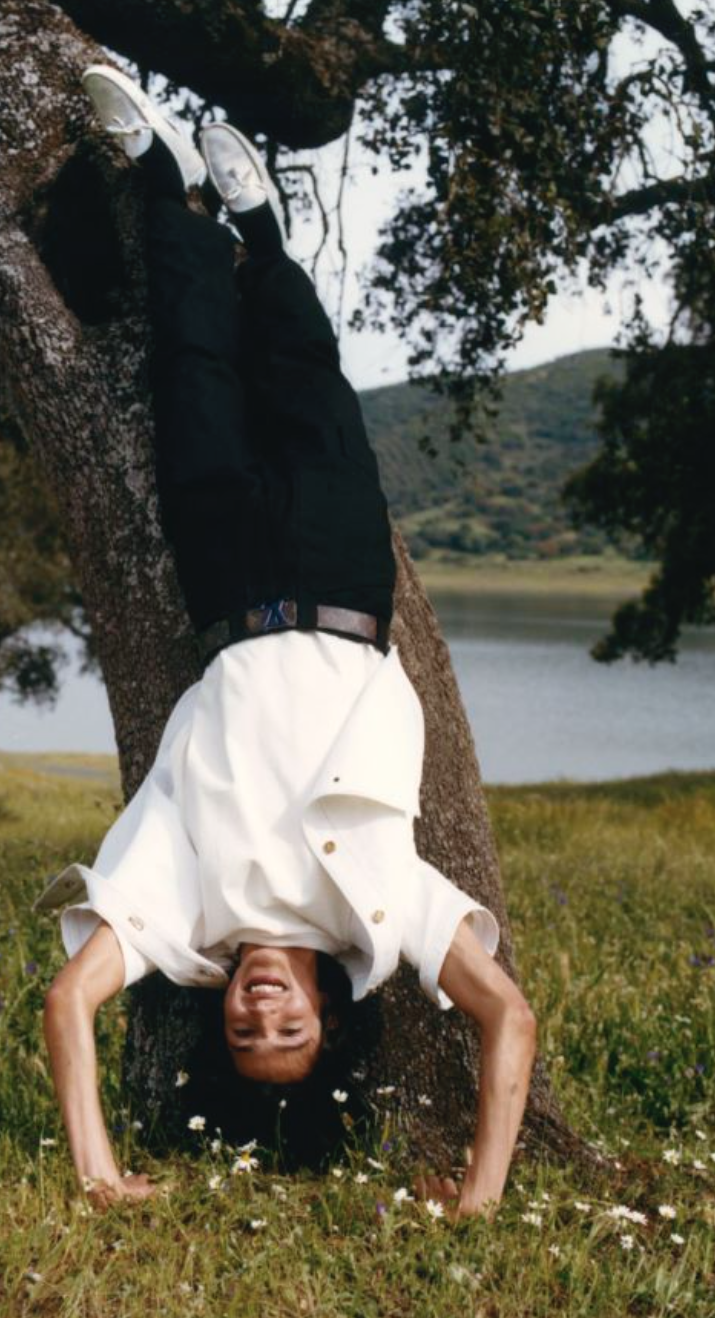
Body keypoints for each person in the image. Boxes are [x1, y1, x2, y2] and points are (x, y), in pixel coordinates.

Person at [38, 65, 538, 1216]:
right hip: (341, 582)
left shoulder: (181, 914)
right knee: (308, 388)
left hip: (224, 589)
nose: (260, 1011)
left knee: (193, 382)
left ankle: (163, 186)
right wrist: (477, 1195)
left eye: (244, 1033)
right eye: (289, 1031)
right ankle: (261, 234)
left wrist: (98, 1172)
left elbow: (68, 1001)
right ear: (328, 1014)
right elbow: (505, 1014)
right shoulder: (382, 914)